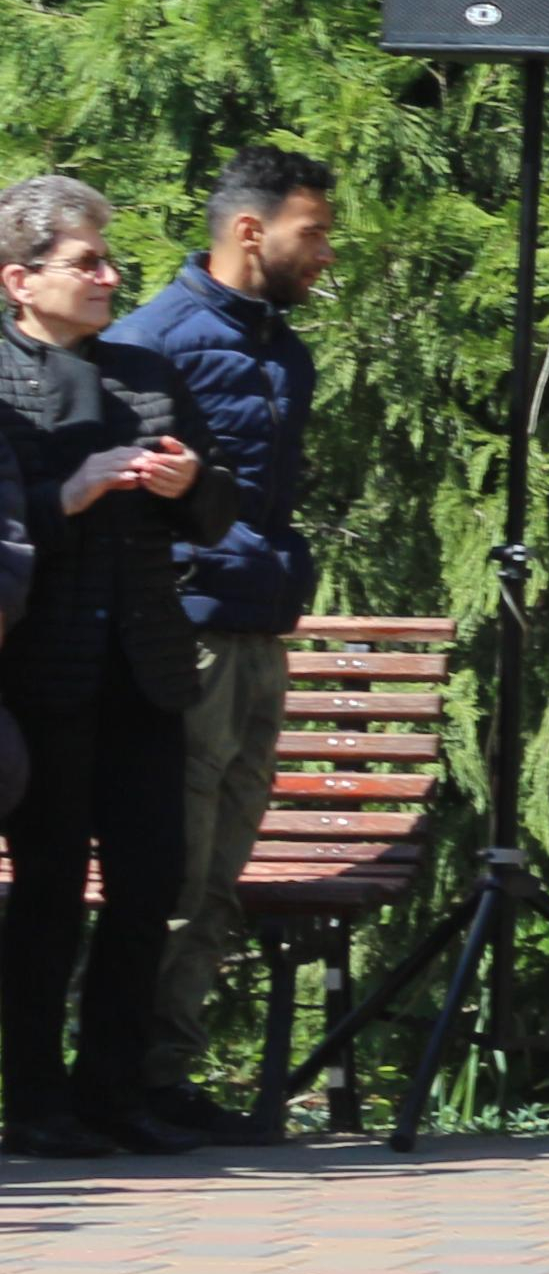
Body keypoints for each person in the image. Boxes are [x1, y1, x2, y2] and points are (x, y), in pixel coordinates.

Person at [120, 145, 337, 1135]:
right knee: (174, 865)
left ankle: (167, 1075)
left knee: (220, 876)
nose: (325, 254)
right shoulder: (153, 342)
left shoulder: (281, 345)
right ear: (250, 230)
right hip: (191, 634)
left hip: (260, 628)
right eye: (314, 232)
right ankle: (123, 1083)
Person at [0, 176, 214, 1159]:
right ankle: (36, 1102)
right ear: (20, 279)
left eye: (107, 258)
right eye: (86, 262)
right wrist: (65, 496)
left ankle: (115, 1093)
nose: (109, 276)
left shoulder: (144, 371)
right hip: (45, 674)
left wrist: (189, 485)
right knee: (47, 891)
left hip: (146, 668)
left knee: (149, 883)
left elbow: (218, 515)